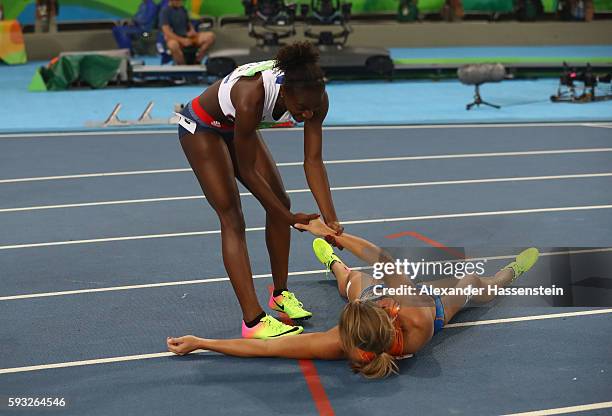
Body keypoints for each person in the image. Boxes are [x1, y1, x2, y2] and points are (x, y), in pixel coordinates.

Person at [167, 218, 539, 378]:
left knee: (353, 281)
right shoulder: (415, 315)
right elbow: (383, 259)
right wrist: (334, 234)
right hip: (434, 310)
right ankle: (512, 271)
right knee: (477, 285)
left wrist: (205, 343)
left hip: (388, 311)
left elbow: (266, 350)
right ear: (388, 311)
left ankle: (335, 265)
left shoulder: (340, 341)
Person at [173, 42, 343, 339]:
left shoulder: (315, 97)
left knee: (280, 200)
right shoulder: (252, 95)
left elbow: (313, 161)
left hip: (240, 128)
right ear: (284, 92)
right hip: (202, 127)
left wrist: (331, 220)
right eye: (301, 108)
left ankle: (280, 294)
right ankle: (253, 321)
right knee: (232, 217)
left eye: (312, 109)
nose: (306, 114)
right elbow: (248, 171)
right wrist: (289, 218)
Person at [159, 0, 215, 64]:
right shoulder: (165, 12)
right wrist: (182, 40)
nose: (180, 1)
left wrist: (192, 31)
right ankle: (182, 65)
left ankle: (197, 61)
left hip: (188, 37)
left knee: (210, 36)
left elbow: (188, 24)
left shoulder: (182, 9)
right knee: (172, 45)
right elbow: (167, 31)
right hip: (175, 39)